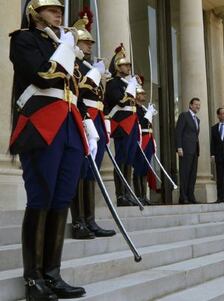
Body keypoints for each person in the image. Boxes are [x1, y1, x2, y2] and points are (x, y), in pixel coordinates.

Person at [9, 0, 95, 299]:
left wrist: (87, 121)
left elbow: (73, 88)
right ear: (34, 13)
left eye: (60, 9)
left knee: (62, 197)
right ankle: (33, 279)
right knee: (42, 195)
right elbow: (41, 75)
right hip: (42, 124)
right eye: (51, 9)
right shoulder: (23, 39)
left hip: (70, 126)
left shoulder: (63, 45)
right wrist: (66, 49)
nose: (59, 13)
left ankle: (52, 274)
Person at [70, 14, 116, 238]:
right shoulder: (73, 62)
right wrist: (95, 74)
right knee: (80, 169)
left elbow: (101, 97)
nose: (89, 45)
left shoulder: (88, 64)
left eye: (89, 42)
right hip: (83, 114)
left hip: (96, 117)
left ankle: (90, 219)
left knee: (92, 170)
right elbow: (78, 89)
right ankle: (78, 221)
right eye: (85, 41)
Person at [104, 44, 139, 206]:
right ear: (118, 67)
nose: (128, 67)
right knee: (121, 159)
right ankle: (120, 195)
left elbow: (135, 103)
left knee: (129, 159)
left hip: (131, 123)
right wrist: (131, 86)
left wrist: (133, 85)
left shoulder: (126, 83)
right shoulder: (113, 83)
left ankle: (128, 192)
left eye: (129, 65)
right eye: (125, 65)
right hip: (121, 124)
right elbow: (120, 100)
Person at [133, 77, 156, 205]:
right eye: (141, 93)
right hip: (141, 138)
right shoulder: (135, 108)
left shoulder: (143, 108)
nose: (144, 95)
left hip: (148, 138)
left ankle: (143, 195)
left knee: (145, 168)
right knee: (139, 168)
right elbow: (139, 123)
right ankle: (138, 195)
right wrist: (147, 116)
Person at [175, 98, 201, 204]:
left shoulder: (197, 120)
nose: (198, 107)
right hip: (185, 150)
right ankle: (183, 197)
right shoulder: (184, 116)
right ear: (190, 105)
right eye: (196, 104)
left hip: (195, 150)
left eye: (199, 105)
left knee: (192, 174)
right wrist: (179, 147)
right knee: (184, 173)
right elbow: (178, 132)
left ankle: (191, 196)